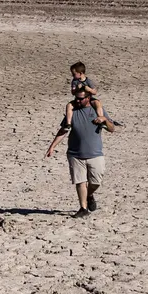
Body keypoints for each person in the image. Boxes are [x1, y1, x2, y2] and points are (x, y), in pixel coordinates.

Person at [45, 89, 116, 217]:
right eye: (76, 98)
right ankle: (83, 208)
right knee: (80, 181)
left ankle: (89, 195)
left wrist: (104, 120)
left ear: (88, 98)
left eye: (80, 99)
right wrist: (52, 147)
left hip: (95, 153)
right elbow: (64, 130)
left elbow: (112, 129)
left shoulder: (96, 110)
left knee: (96, 182)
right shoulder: (72, 112)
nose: (77, 101)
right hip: (75, 154)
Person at [65, 61, 108, 127]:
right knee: (69, 106)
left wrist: (89, 89)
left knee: (97, 103)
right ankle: (68, 123)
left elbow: (94, 92)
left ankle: (101, 119)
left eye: (74, 74)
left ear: (81, 73)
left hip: (88, 99)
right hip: (78, 99)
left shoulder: (88, 81)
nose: (72, 76)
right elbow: (73, 92)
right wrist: (76, 89)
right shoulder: (74, 81)